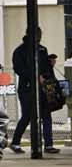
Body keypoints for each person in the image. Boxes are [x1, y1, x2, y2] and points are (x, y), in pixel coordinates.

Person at [9, 25, 49, 157]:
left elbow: (46, 67)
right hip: (26, 87)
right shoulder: (20, 51)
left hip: (40, 86)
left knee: (45, 114)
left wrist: (45, 74)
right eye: (38, 35)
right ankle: (15, 142)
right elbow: (18, 69)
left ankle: (48, 144)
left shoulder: (42, 50)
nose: (39, 37)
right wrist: (34, 76)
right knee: (27, 115)